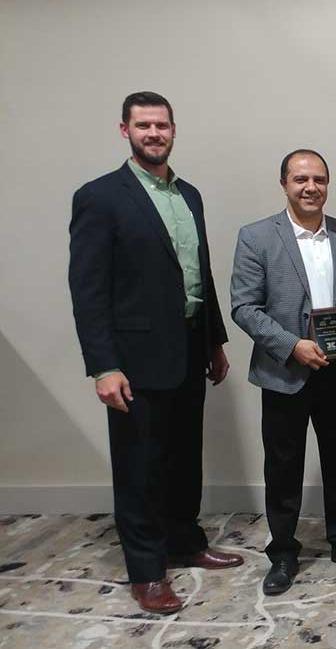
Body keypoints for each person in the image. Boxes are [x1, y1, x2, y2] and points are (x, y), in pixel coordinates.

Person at [68, 91, 243, 614]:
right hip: (135, 359)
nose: (153, 133)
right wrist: (103, 365)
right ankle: (147, 571)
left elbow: (199, 274)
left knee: (185, 456)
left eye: (161, 125)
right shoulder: (99, 197)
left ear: (173, 130)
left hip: (190, 347)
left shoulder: (188, 195)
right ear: (125, 130)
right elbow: (88, 288)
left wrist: (214, 341)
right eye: (143, 125)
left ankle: (185, 543)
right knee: (139, 465)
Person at [230, 149, 336, 595]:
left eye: (318, 179)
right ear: (284, 184)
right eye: (300, 179)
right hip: (284, 372)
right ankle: (282, 553)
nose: (310, 187)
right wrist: (291, 345)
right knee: (283, 467)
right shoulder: (256, 236)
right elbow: (244, 307)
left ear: (327, 184)